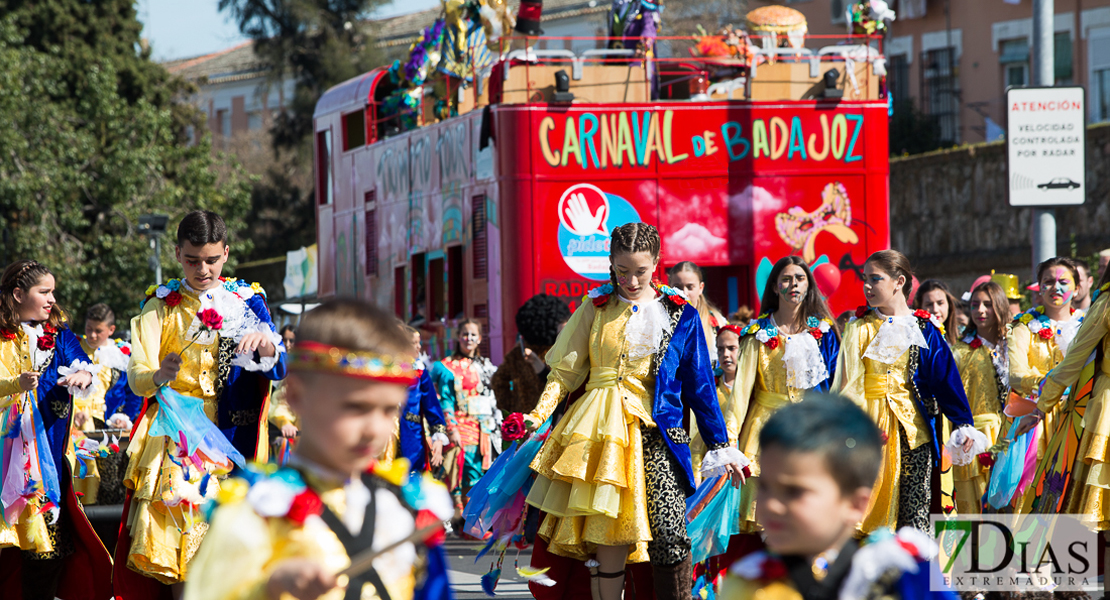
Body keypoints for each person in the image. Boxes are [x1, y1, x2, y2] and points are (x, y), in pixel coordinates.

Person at [522, 222, 746, 600]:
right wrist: (537, 414)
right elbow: (564, 370)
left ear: (657, 263)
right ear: (610, 263)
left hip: (657, 434)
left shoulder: (681, 314)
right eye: (621, 270)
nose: (629, 280)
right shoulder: (595, 308)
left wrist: (721, 446)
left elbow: (700, 387)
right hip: (599, 433)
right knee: (607, 536)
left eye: (640, 271)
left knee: (670, 532)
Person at [182, 299, 454, 600]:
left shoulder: (409, 507)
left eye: (389, 409)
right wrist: (270, 587)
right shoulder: (257, 510)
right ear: (297, 396)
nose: (375, 429)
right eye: (356, 407)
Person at [115, 211, 288, 595]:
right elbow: (138, 373)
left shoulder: (247, 301)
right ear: (178, 254)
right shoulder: (160, 306)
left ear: (225, 253)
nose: (203, 269)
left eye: (211, 260)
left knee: (229, 542)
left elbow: (279, 368)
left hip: (232, 436)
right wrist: (159, 374)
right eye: (193, 260)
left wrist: (266, 346)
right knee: (183, 540)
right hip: (177, 435)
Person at [718, 396, 957, 600]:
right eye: (765, 488)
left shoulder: (898, 580)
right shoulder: (749, 582)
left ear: (854, 504)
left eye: (795, 492)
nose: (770, 505)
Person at [833, 250, 981, 534]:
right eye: (865, 279)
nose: (867, 286)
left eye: (875, 279)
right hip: (872, 429)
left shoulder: (924, 327)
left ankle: (914, 573)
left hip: (915, 432)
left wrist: (963, 422)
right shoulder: (859, 327)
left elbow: (945, 379)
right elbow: (849, 385)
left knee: (916, 511)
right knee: (867, 510)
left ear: (899, 281)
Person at [0, 260, 108, 600]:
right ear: (18, 294)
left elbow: (86, 365)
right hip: (3, 461)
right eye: (43, 292)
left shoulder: (60, 337)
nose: (51, 299)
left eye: (53, 292)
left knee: (44, 552)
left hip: (45, 466)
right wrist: (13, 384)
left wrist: (84, 376)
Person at [727, 256, 840, 533]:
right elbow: (740, 394)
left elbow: (835, 390)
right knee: (770, 521)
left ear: (808, 285)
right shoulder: (757, 334)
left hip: (809, 433)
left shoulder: (824, 334)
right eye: (786, 279)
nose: (794, 285)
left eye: (800, 279)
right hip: (765, 433)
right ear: (775, 287)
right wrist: (729, 444)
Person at [1007, 257, 1086, 511]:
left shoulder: (1087, 326)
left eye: (1063, 282)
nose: (1056, 288)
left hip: (1078, 419)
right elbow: (1016, 374)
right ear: (1038, 288)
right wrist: (1053, 386)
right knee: (1030, 499)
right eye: (1048, 282)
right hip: (1035, 422)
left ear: (1076, 288)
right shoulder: (1023, 327)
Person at [71, 303, 143, 506]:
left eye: (98, 331)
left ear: (111, 330)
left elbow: (133, 393)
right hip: (76, 424)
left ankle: (107, 532)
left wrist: (125, 417)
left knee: (111, 483)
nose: (92, 335)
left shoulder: (121, 355)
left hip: (109, 426)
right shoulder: (73, 349)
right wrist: (76, 410)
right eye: (88, 329)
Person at [951, 281, 1010, 515]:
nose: (981, 311)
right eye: (975, 305)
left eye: (988, 304)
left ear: (1000, 307)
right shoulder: (960, 352)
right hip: (976, 434)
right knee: (978, 502)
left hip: (1013, 432)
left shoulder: (1014, 344)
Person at [431, 319, 499, 518]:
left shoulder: (486, 365)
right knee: (465, 471)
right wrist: (451, 428)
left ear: (479, 339)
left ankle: (474, 521)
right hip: (462, 426)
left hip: (485, 428)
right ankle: (465, 521)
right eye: (465, 334)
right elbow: (445, 400)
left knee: (481, 472)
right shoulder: (447, 367)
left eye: (473, 335)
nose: (468, 338)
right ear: (458, 337)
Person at [379, 325, 449, 475]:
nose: (418, 347)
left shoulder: (419, 372)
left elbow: (433, 407)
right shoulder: (380, 368)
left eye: (419, 343)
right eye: (413, 343)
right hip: (382, 438)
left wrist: (438, 439)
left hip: (411, 439)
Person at [490, 294, 571, 416]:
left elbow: (498, 381)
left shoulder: (517, 353)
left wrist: (510, 408)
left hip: (525, 416)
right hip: (551, 415)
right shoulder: (560, 350)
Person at [690, 323, 744, 482]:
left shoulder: (752, 390)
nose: (725, 354)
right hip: (716, 463)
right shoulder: (710, 389)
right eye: (720, 349)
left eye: (731, 348)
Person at [669, 262, 728, 358]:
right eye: (678, 287)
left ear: (701, 288)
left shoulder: (718, 323)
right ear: (670, 287)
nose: (684, 293)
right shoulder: (662, 320)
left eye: (690, 287)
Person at [913, 279, 960, 346]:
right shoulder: (913, 340)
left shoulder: (963, 339)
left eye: (940, 303)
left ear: (949, 304)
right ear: (919, 307)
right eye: (929, 304)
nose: (935, 310)